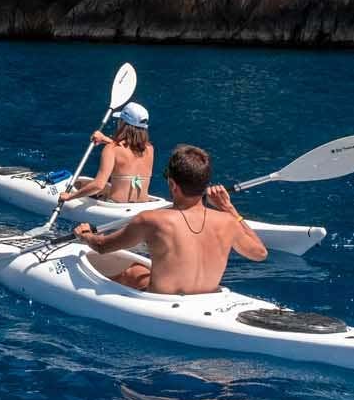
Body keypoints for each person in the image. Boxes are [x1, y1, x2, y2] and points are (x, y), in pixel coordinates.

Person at [72, 145, 268, 295]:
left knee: (131, 273)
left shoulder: (151, 220)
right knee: (139, 270)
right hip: (208, 297)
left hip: (162, 300)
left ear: (173, 184)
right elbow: (260, 254)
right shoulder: (228, 221)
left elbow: (102, 247)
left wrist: (86, 235)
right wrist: (229, 208)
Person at [58, 102, 156, 204]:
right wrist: (105, 139)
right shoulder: (150, 149)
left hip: (117, 205)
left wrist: (70, 197)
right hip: (142, 205)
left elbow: (98, 186)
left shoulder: (111, 149)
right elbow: (128, 152)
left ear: (122, 123)